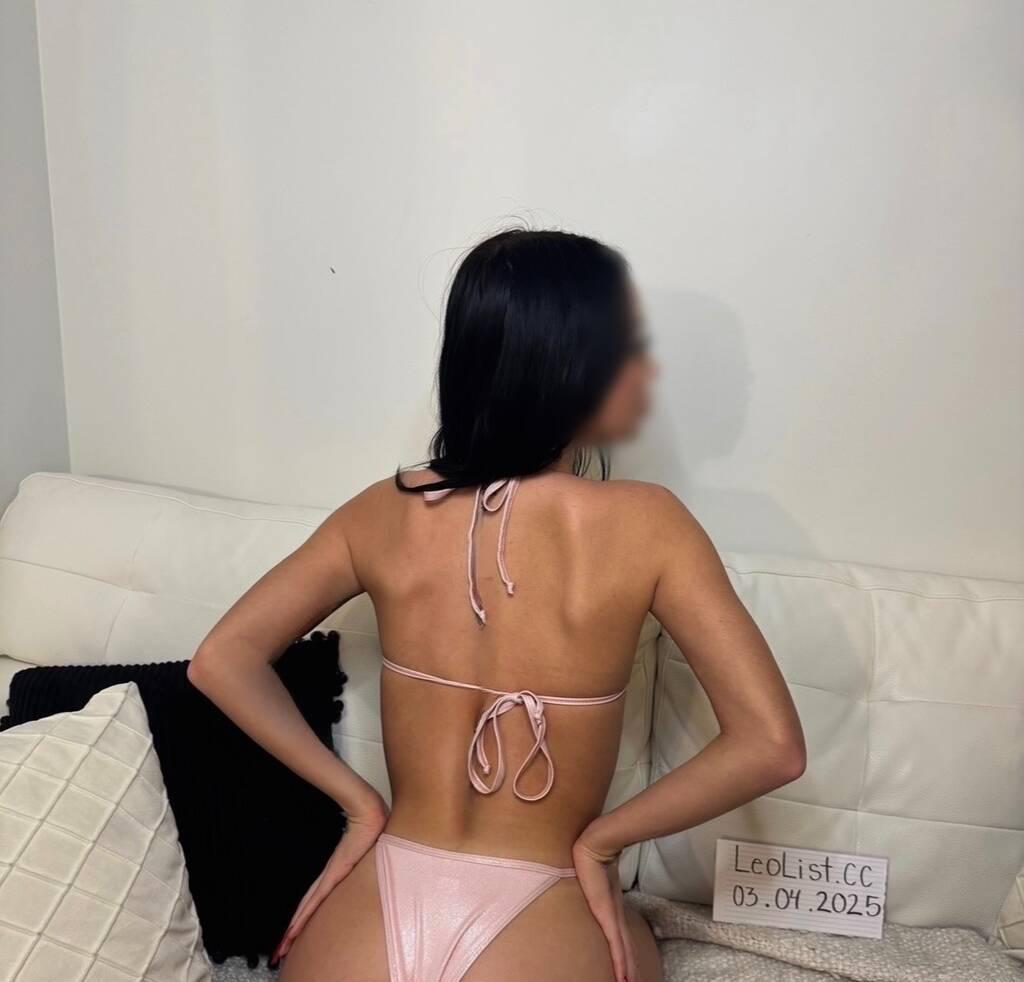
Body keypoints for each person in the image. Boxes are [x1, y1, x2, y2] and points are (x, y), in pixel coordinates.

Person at [188, 228, 806, 982]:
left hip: (364, 929)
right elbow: (772, 744)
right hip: (541, 925)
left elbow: (222, 659)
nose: (644, 371)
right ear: (565, 361)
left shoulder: (383, 511)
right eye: (626, 347)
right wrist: (601, 842)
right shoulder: (650, 525)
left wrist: (360, 805)